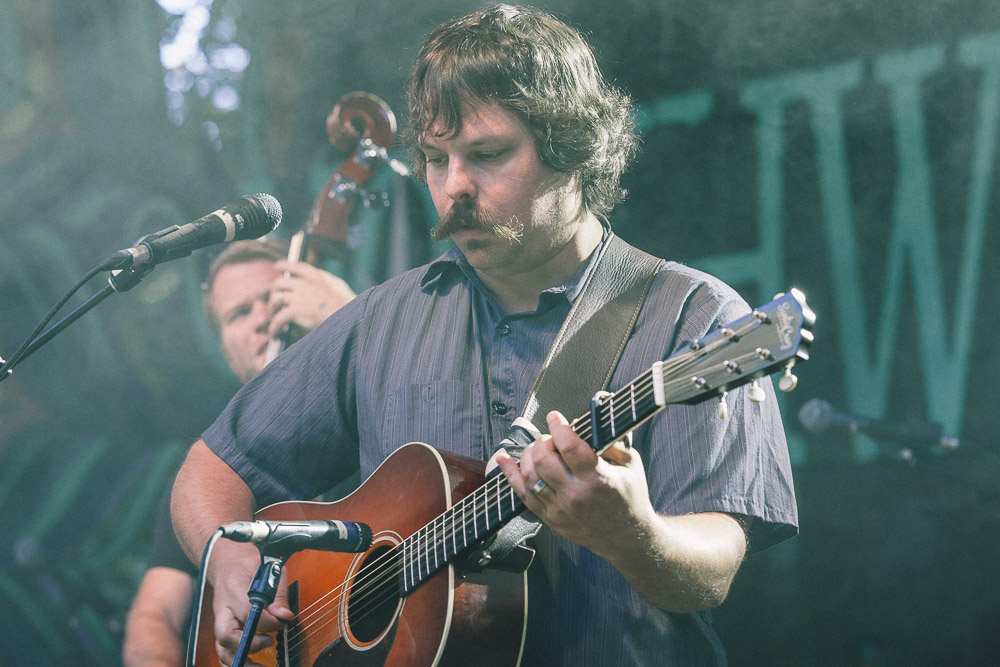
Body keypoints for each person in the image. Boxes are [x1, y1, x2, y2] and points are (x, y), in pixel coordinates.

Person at [171, 5, 798, 665]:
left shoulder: (692, 316)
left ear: (572, 146)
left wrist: (632, 530)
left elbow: (715, 567)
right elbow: (210, 468)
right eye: (436, 159)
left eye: (488, 154)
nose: (454, 187)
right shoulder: (383, 319)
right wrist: (232, 564)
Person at [122, 239, 355, 666]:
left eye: (273, 298)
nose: (263, 319)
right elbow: (154, 615)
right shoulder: (211, 473)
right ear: (225, 352)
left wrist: (345, 321)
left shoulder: (367, 402)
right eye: (240, 313)